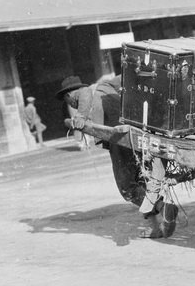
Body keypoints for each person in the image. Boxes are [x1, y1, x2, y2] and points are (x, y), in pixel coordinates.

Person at [55, 75, 177, 238]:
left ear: (68, 96)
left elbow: (84, 92)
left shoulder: (88, 90)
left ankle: (163, 206)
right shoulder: (106, 88)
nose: (71, 104)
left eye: (67, 101)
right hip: (136, 133)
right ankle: (155, 227)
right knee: (140, 182)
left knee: (127, 188)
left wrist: (80, 116)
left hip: (121, 138)